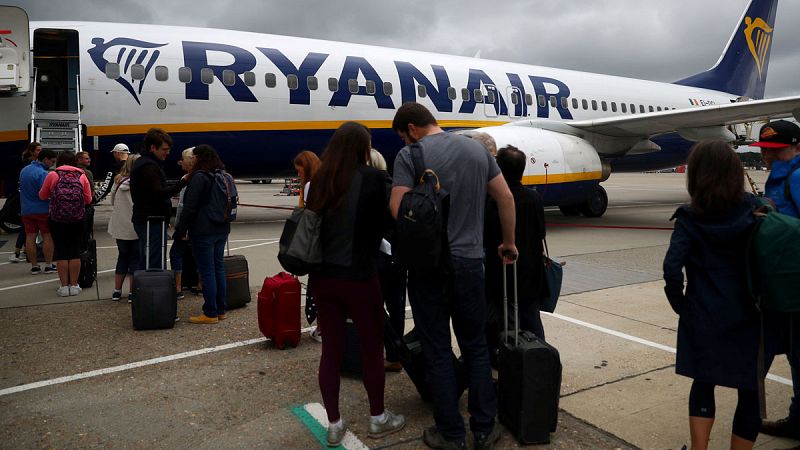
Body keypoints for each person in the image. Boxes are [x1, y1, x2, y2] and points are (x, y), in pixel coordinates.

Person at [389, 102, 517, 450]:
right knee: (476, 346)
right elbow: (505, 197)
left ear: (411, 129)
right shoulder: (477, 150)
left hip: (428, 266)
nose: (404, 141)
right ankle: (484, 428)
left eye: (402, 136)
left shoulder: (410, 155)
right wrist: (508, 242)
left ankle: (450, 433)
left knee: (438, 349)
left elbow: (398, 210)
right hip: (471, 262)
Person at [306, 122, 405, 447]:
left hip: (323, 278)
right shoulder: (374, 178)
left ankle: (334, 422)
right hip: (361, 276)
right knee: (371, 347)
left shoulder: (320, 178)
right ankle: (377, 417)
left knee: (331, 350)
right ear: (364, 147)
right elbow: (388, 220)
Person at [663, 141, 762, 450]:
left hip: (704, 313)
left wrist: (682, 305)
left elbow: (670, 270)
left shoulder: (690, 218)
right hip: (751, 314)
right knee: (750, 391)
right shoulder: (758, 209)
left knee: (704, 382)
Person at [750, 120, 800, 440]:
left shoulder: (796, 176)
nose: (768, 157)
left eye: (775, 150)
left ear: (797, 147)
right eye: (765, 151)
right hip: (777, 285)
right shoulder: (779, 176)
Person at [484, 145, 547, 351]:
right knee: (531, 315)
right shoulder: (534, 198)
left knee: (504, 315)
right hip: (530, 267)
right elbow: (541, 233)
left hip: (502, 268)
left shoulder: (493, 200)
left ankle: (507, 353)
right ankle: (538, 352)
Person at [173, 145, 230, 324]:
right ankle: (221, 309)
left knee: (207, 271)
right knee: (218, 268)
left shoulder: (200, 176)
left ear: (200, 158)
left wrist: (181, 230)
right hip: (222, 228)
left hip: (204, 230)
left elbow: (190, 207)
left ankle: (210, 313)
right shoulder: (222, 174)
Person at [130, 128, 187, 273]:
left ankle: (142, 291)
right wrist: (182, 182)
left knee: (147, 258)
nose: (167, 153)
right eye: (164, 149)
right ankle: (154, 292)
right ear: (152, 148)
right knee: (154, 262)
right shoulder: (148, 167)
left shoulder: (145, 163)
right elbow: (159, 193)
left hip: (148, 219)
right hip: (151, 221)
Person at [39, 151, 93, 297]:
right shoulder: (81, 175)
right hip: (77, 218)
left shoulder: (53, 175)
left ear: (60, 161)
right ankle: (74, 285)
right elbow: (88, 200)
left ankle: (64, 287)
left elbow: (42, 195)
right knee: (75, 251)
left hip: (57, 219)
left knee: (61, 251)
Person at [107, 154, 141, 302]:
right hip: (135, 226)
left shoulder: (118, 181)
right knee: (135, 259)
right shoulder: (140, 182)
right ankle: (132, 292)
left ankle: (117, 290)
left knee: (122, 257)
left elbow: (112, 201)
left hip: (120, 225)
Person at [18, 147, 56, 274]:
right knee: (47, 236)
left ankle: (34, 265)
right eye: (52, 161)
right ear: (45, 159)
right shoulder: (43, 174)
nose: (52, 164)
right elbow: (45, 194)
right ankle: (48, 264)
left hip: (26, 209)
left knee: (30, 237)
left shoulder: (24, 170)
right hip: (42, 209)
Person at [9, 142, 43, 263]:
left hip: (28, 203)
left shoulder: (30, 165)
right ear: (32, 151)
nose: (40, 152)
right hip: (31, 203)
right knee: (28, 230)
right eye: (38, 150)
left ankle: (22, 251)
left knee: (28, 230)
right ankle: (17, 251)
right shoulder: (29, 166)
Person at [170, 148, 196, 301]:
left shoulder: (188, 178)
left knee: (176, 253)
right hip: (201, 225)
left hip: (188, 225)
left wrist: (179, 225)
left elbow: (183, 205)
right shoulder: (206, 176)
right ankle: (199, 285)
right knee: (198, 254)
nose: (180, 162)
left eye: (183, 159)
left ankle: (178, 287)